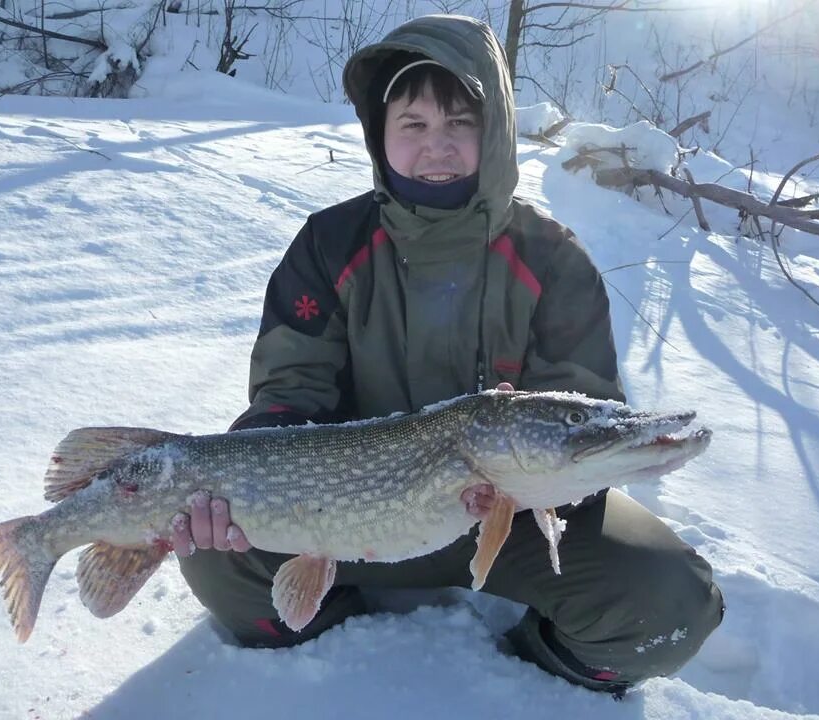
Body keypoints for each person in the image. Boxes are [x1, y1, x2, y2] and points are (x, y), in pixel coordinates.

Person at [173, 14, 724, 696]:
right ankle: (328, 615)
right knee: (211, 558)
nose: (438, 145)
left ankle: (535, 663)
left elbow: (582, 409)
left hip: (518, 517)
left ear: (493, 131)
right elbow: (288, 397)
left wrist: (533, 485)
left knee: (670, 604)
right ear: (381, 134)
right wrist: (245, 484)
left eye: (460, 122)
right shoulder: (329, 245)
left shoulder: (551, 256)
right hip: (345, 516)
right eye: (414, 124)